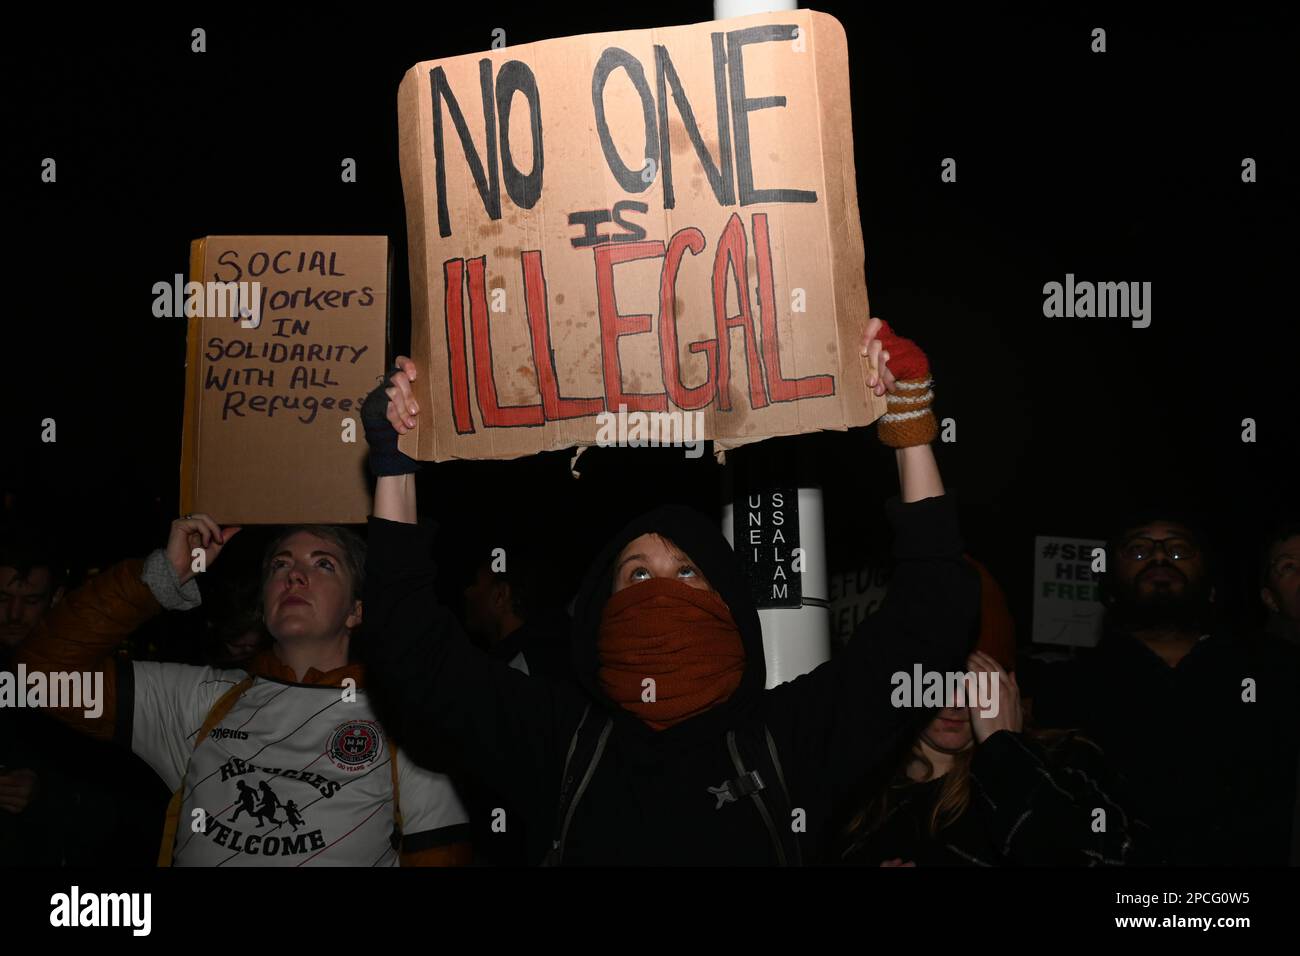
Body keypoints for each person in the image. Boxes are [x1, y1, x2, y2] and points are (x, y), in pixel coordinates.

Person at [358, 317, 980, 865]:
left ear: (729, 607)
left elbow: (932, 618)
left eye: (687, 573)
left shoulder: (787, 740)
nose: (661, 592)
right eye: (636, 575)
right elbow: (413, 656)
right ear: (599, 613)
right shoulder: (558, 741)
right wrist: (396, 466)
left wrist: (910, 426)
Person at [17, 519, 472, 866]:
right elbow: (41, 676)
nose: (294, 575)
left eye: (323, 563)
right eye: (281, 564)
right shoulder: (202, 699)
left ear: (356, 611)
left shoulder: (405, 722)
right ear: (264, 601)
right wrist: (163, 576)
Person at [1027, 514, 1299, 865]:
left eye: (1179, 550)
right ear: (1108, 590)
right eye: (1137, 551)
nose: (1159, 557)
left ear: (1212, 587)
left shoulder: (1279, 673)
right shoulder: (1059, 691)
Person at [840, 646, 1149, 866]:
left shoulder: (1065, 761)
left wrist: (1005, 750)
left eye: (973, 683)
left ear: (1007, 687)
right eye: (936, 682)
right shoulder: (863, 787)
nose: (956, 703)